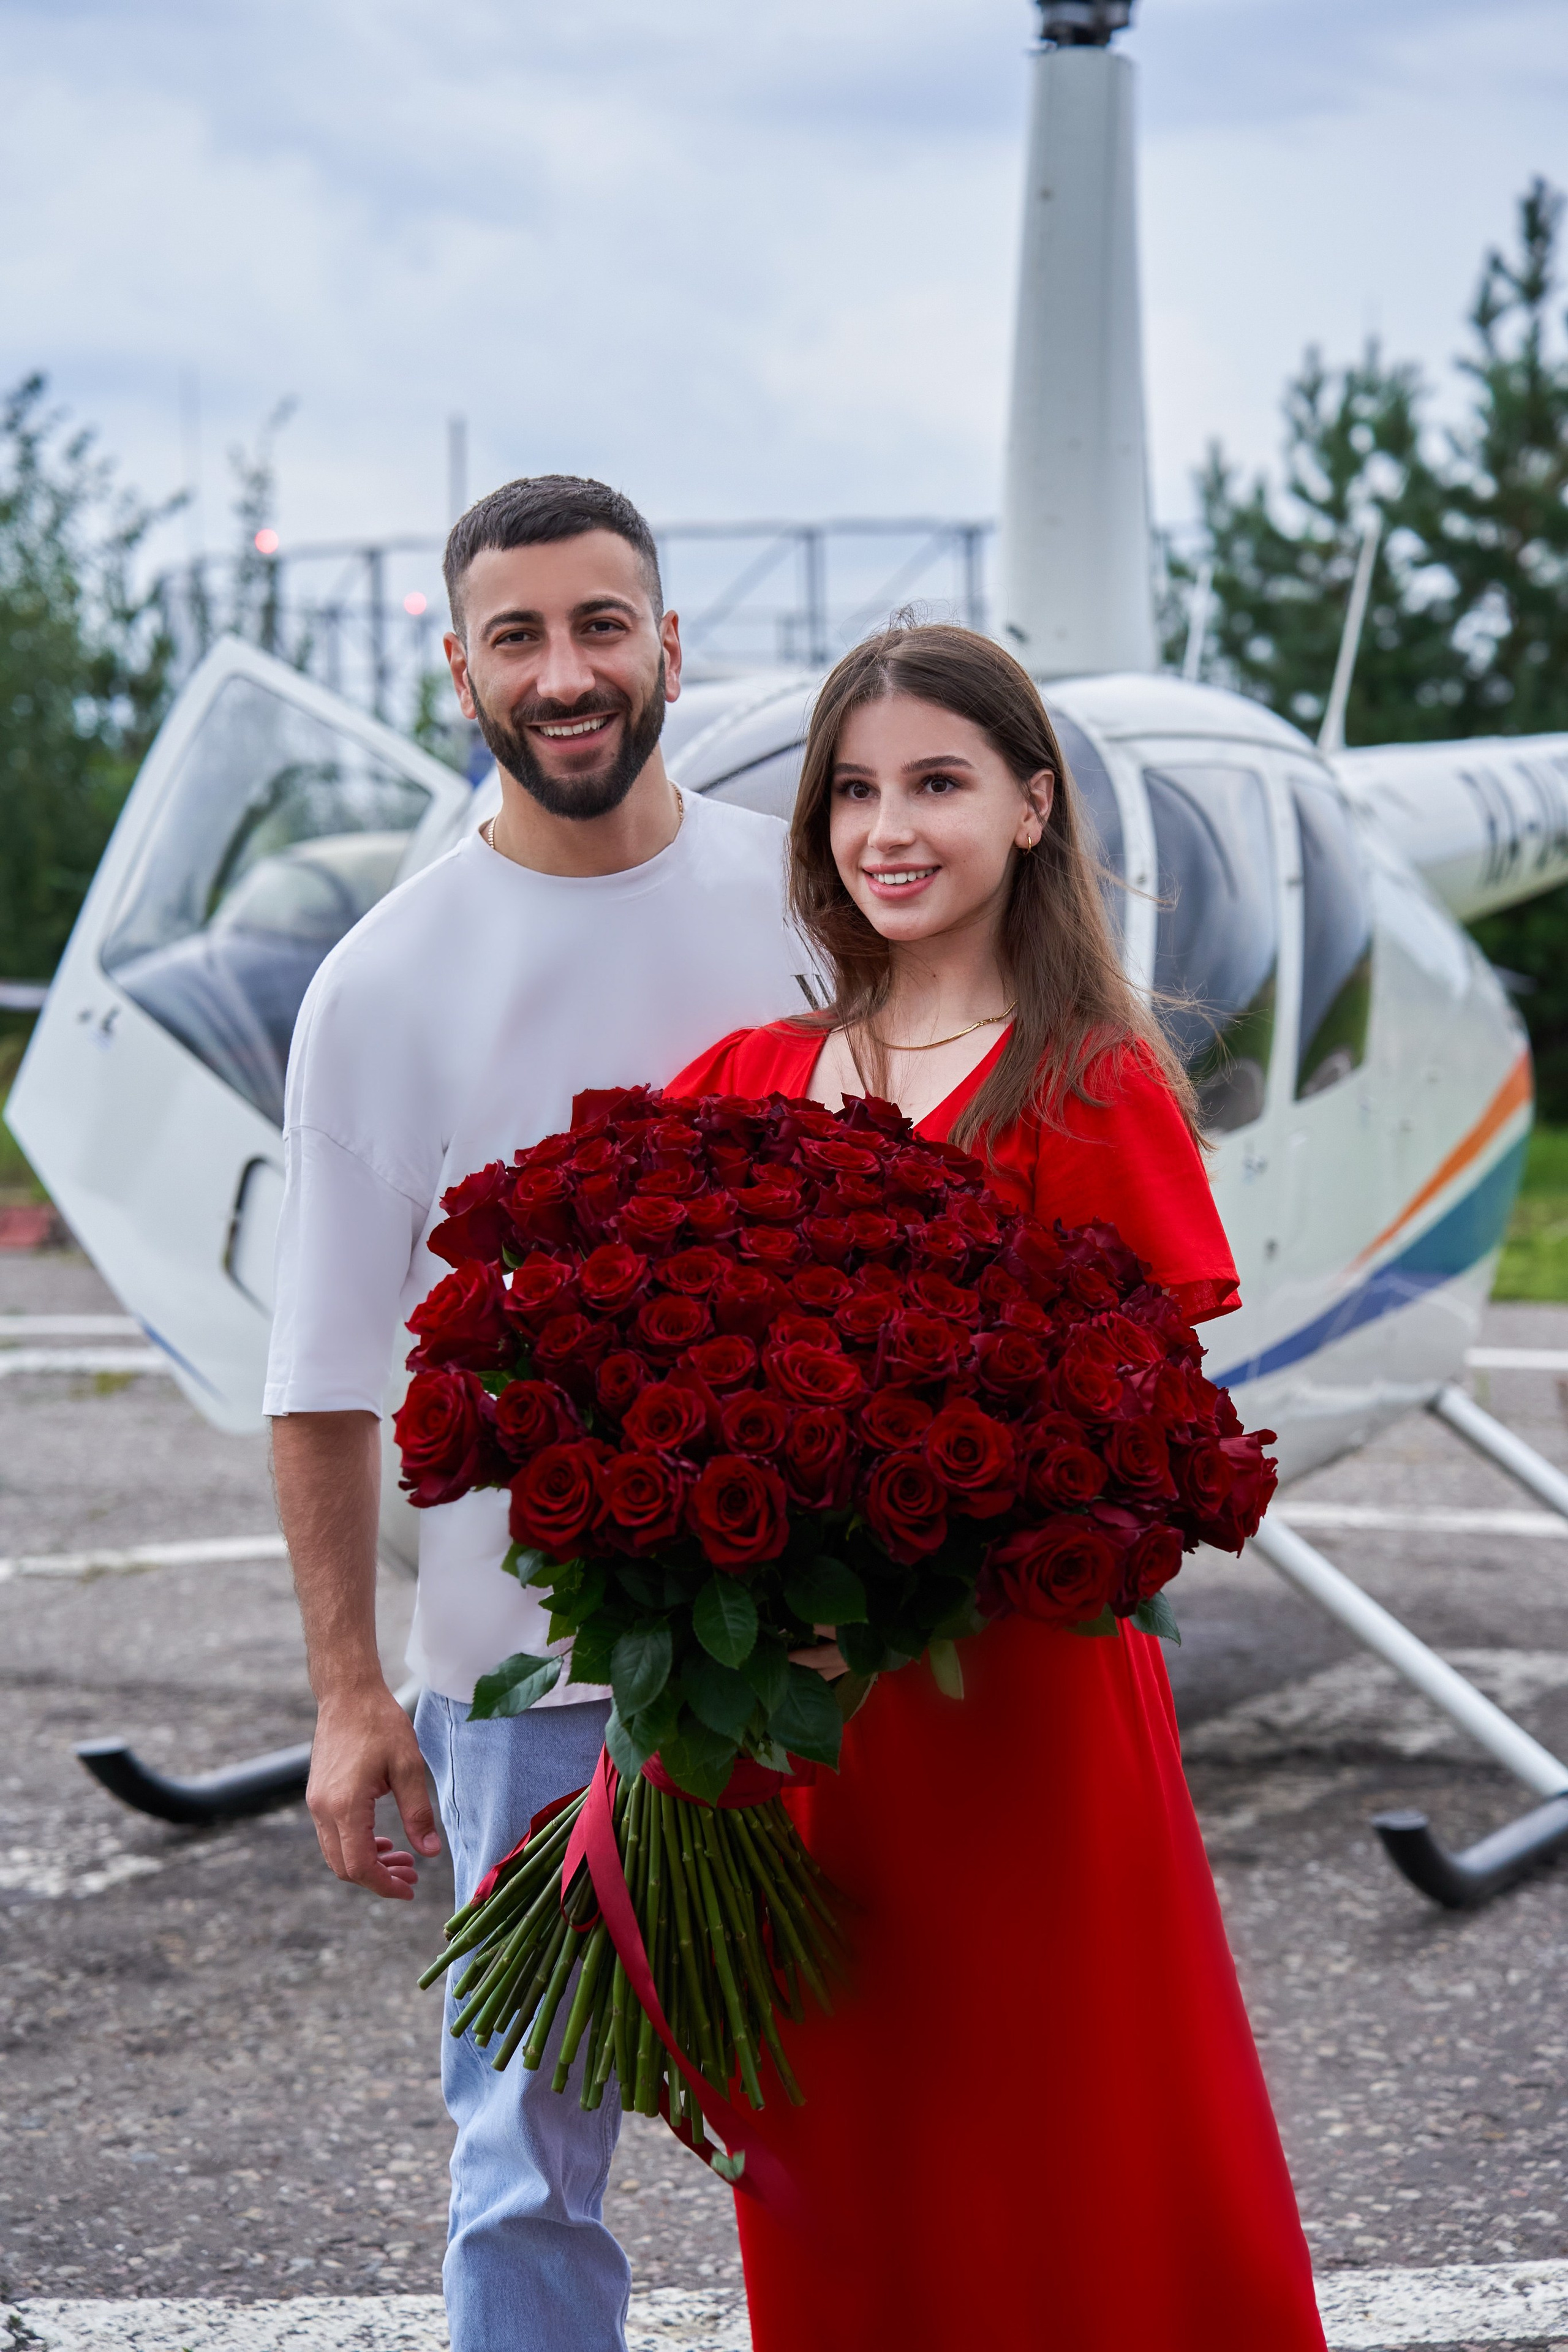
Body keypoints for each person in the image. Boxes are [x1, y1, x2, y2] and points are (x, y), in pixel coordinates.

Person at [666, 623, 1328, 2352]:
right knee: (844, 2173)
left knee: (1067, 2147)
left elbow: (1138, 1464)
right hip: (798, 1748)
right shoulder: (740, 1084)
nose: (890, 828)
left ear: (1035, 809)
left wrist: (879, 1608)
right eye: (856, 791)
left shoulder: (1092, 1087)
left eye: (940, 785)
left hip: (1012, 1730)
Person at [264, 475, 810, 2352]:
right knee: (520, 2172)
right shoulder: (385, 982)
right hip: (514, 1691)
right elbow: (321, 1382)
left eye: (601, 627)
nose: (565, 673)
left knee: (845, 2144)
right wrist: (349, 1695)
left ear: (671, 644)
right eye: (520, 637)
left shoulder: (808, 909)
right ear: (459, 670)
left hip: (815, 1653)